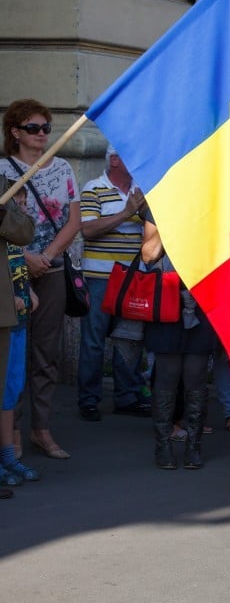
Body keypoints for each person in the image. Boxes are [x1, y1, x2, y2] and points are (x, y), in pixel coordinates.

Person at [0, 99, 81, 461]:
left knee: (46, 353)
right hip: (12, 273)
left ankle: (42, 429)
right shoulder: (2, 169)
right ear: (15, 132)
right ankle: (11, 430)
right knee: (11, 355)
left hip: (52, 270)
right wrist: (25, 258)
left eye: (46, 128)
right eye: (34, 128)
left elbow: (74, 222)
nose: (42, 134)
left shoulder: (62, 167)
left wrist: (46, 257)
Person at [141, 214, 219, 470]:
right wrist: (170, 219)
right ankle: (163, 445)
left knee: (196, 377)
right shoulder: (159, 204)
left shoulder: (212, 203)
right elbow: (149, 255)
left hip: (203, 298)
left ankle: (194, 446)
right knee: (166, 376)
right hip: (167, 299)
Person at [76, 146, 147, 422]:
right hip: (99, 277)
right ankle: (89, 399)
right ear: (115, 159)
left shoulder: (143, 188)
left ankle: (127, 396)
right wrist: (126, 213)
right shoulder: (94, 188)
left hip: (134, 277)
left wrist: (139, 214)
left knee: (129, 339)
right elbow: (88, 229)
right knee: (93, 341)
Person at [0, 179, 38, 489]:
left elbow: (25, 232)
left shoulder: (4, 191)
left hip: (11, 316)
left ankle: (6, 455)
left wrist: (2, 215)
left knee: (8, 389)